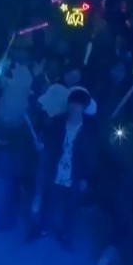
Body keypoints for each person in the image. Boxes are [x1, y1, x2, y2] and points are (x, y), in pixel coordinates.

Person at [29, 87, 98, 250]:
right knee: (49, 202)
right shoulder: (58, 122)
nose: (74, 110)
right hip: (56, 171)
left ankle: (67, 236)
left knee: (71, 208)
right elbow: (49, 143)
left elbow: (91, 156)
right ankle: (42, 229)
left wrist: (85, 178)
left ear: (83, 109)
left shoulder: (90, 130)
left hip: (75, 174)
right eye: (72, 106)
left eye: (78, 107)